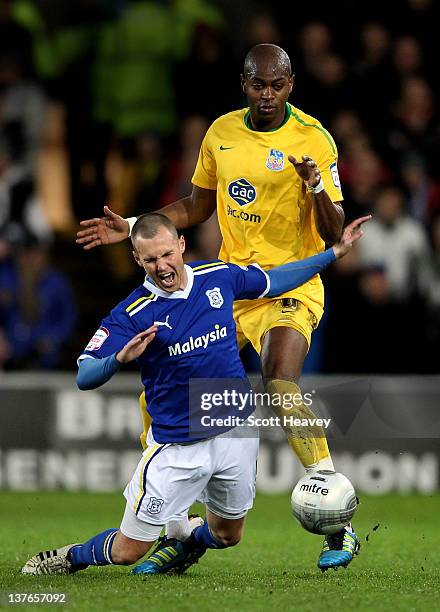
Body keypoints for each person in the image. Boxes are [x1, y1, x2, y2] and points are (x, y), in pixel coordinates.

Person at [76, 43, 354, 570]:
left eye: (277, 85)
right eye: (258, 85)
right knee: (161, 383)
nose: (267, 94)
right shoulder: (221, 133)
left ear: (291, 84)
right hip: (232, 286)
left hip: (289, 284)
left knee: (279, 382)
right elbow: (198, 207)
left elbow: (334, 231)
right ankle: (176, 525)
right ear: (244, 84)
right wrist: (137, 225)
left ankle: (335, 518)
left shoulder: (314, 138)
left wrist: (314, 184)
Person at [22, 212, 368, 576]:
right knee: (128, 551)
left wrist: (334, 253)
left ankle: (185, 539)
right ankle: (70, 557)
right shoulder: (132, 313)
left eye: (168, 254)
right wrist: (119, 358)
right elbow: (85, 375)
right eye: (151, 259)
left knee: (227, 535)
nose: (163, 266)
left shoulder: (217, 276)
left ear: (181, 246)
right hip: (178, 446)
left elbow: (276, 279)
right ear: (137, 259)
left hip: (235, 434)